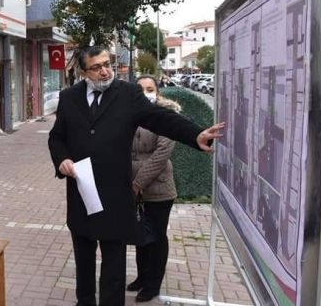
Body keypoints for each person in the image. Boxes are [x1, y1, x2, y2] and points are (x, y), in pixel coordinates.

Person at [48, 46, 224, 306]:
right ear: (83, 72)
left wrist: (194, 134)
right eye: (96, 67)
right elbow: (57, 137)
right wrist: (62, 158)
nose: (105, 70)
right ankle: (84, 301)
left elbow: (160, 118)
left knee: (114, 264)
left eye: (107, 63)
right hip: (81, 192)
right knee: (83, 259)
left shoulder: (128, 94)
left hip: (116, 195)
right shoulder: (69, 97)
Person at [127, 75, 180, 302]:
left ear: (157, 91)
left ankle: (153, 284)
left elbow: (161, 155)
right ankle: (142, 277)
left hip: (158, 188)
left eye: (150, 88)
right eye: (141, 89)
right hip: (132, 187)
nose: (146, 92)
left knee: (157, 236)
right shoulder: (129, 114)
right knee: (140, 233)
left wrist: (138, 182)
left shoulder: (166, 116)